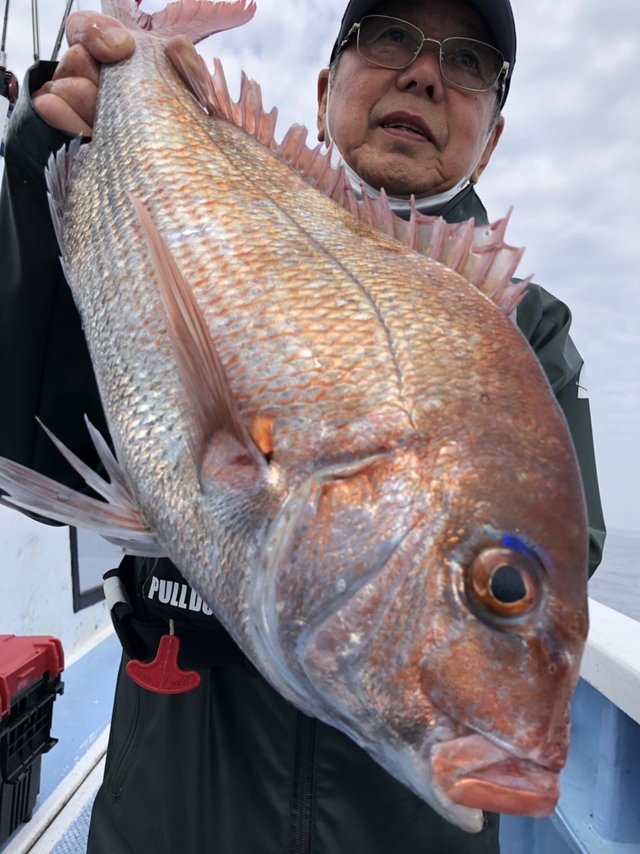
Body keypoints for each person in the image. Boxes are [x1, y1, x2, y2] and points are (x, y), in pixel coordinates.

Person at [0, 0, 606, 851]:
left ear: (494, 136)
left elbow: (564, 553)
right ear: (326, 89)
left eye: (469, 63)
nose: (425, 72)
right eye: (390, 37)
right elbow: (27, 450)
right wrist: (45, 154)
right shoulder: (190, 208)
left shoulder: (526, 336)